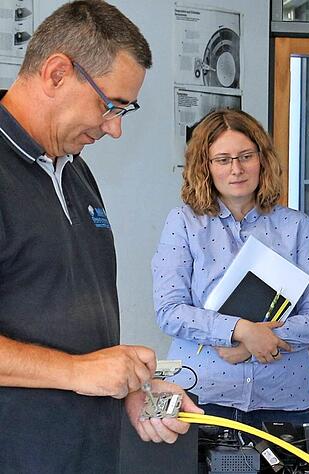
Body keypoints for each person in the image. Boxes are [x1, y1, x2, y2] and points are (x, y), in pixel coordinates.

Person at [0, 2, 199, 472]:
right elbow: (74, 367)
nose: (114, 128)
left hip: (89, 452)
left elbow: (64, 320)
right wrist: (76, 372)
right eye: (109, 104)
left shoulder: (76, 173)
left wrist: (130, 386)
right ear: (55, 73)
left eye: (125, 109)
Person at [153, 108, 309, 428]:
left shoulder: (296, 226)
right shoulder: (182, 222)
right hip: (198, 399)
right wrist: (240, 331)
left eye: (246, 156)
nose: (236, 169)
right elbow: (170, 311)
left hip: (284, 402)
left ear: (262, 159)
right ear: (205, 167)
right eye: (222, 159)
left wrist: (254, 345)